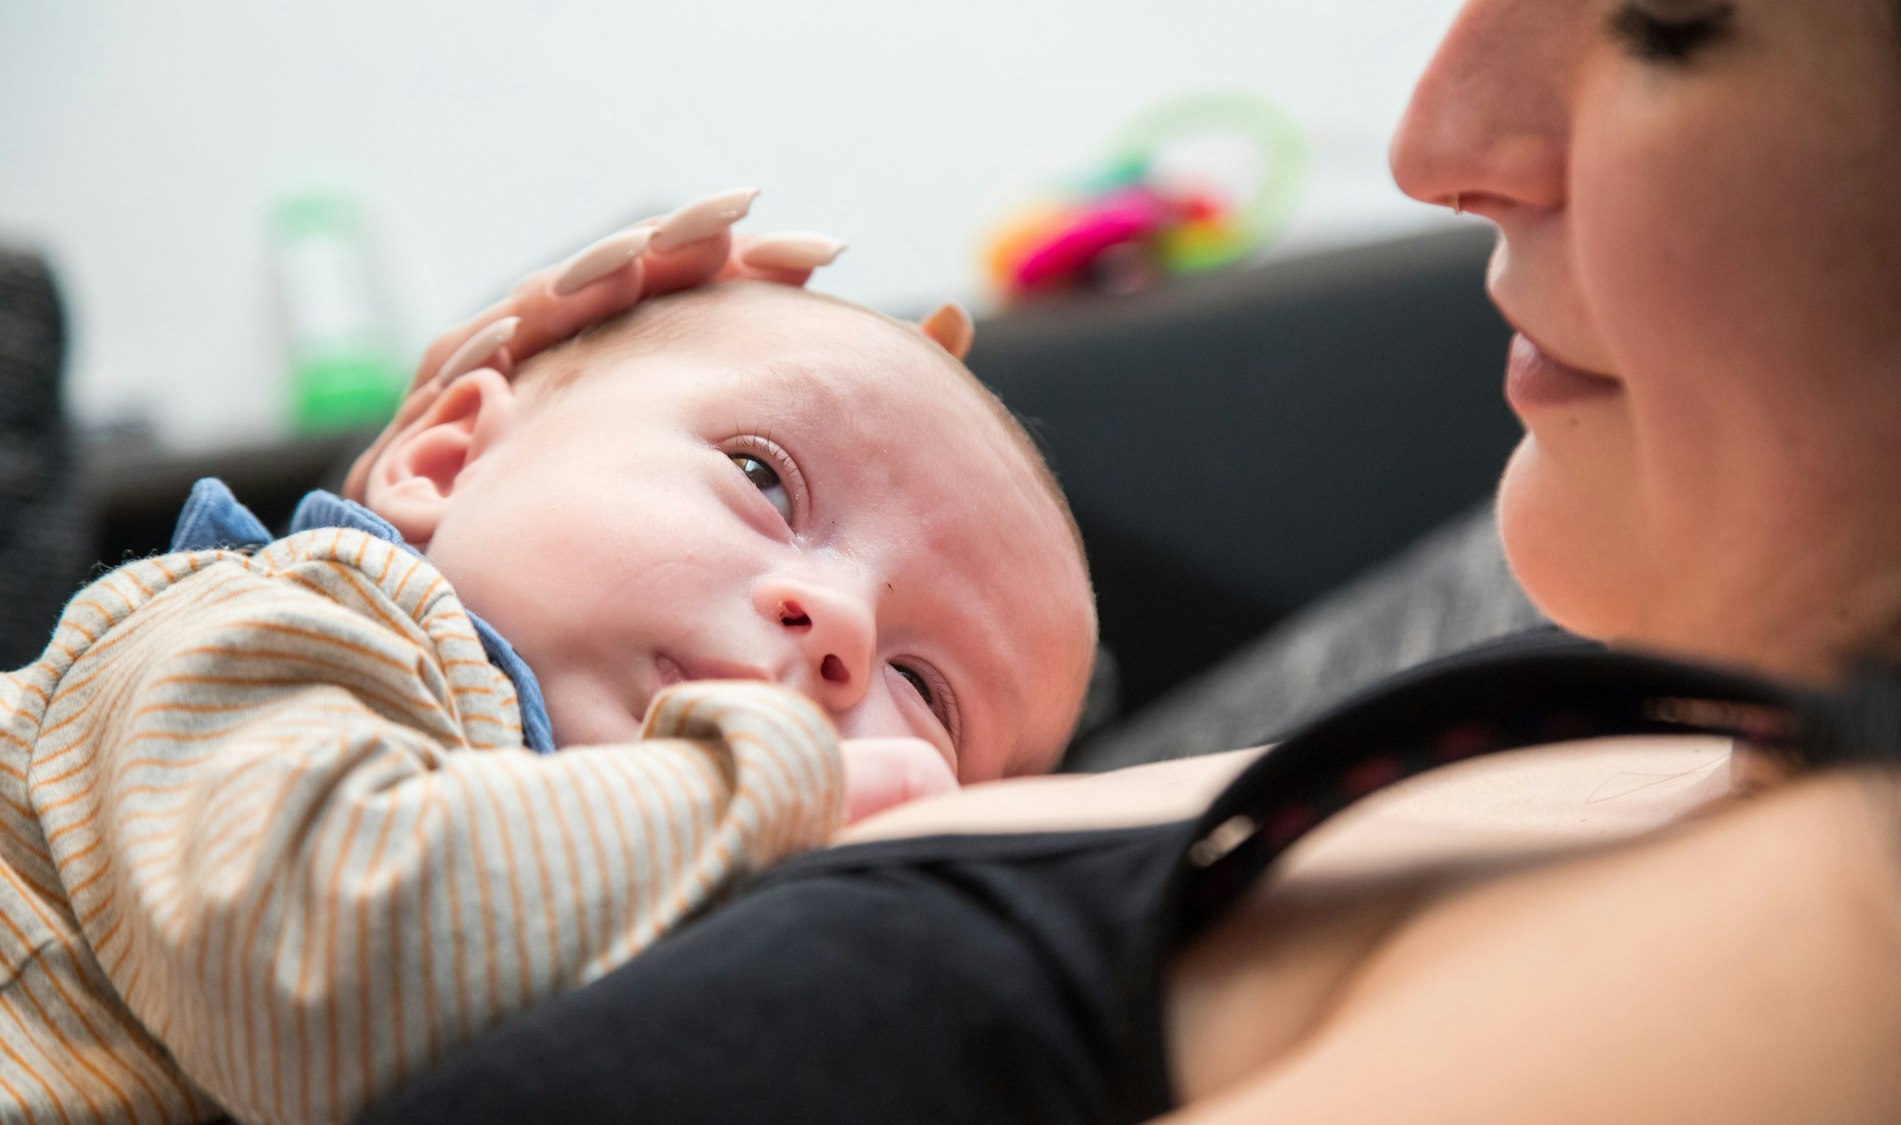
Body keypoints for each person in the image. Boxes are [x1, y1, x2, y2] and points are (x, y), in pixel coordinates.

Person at [359, 0, 1901, 1121]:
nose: (1436, 140)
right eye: (762, 481)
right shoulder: (1699, 688)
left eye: (1667, 13)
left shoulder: (1882, 953)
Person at [0, 201, 1096, 1123]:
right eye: (763, 480)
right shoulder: (278, 622)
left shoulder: (675, 900)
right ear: (443, 457)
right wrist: (785, 786)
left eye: (925, 690)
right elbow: (321, 981)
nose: (841, 623)